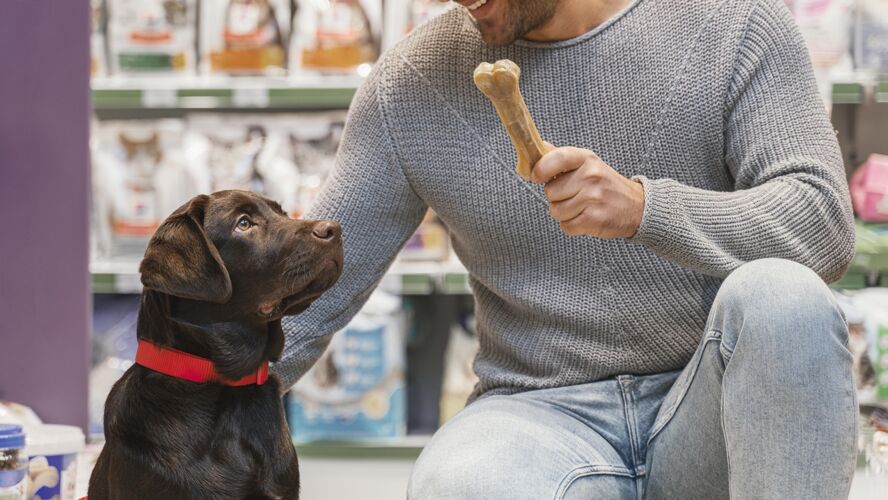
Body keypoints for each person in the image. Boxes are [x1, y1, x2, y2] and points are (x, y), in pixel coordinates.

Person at [275, 0, 858, 498]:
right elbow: (302, 297)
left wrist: (644, 210)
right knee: (459, 486)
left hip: (712, 399)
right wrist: (186, 397)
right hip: (535, 415)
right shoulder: (410, 83)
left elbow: (824, 227)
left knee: (786, 300)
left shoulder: (734, 22)